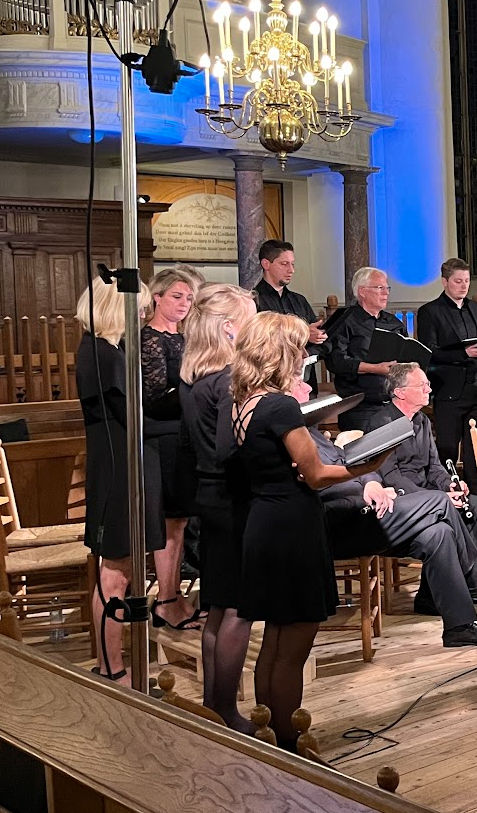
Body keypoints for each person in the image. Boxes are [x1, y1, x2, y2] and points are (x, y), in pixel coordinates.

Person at [224, 312, 390, 748]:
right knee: (293, 646)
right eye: (298, 348)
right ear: (279, 352)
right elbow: (315, 474)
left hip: (264, 521)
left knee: (275, 642)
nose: (303, 356)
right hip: (291, 527)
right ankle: (291, 744)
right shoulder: (280, 405)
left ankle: (268, 736)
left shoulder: (244, 402)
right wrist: (364, 467)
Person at [303, 381, 477, 649]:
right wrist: (369, 487)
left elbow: (351, 459)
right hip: (345, 518)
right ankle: (474, 578)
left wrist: (370, 482)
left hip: (370, 507)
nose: (308, 387)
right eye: (299, 383)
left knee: (439, 533)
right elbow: (321, 484)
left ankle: (459, 626)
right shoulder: (296, 435)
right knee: (439, 503)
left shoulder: (312, 431)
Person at [364, 362, 477, 628]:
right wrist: (435, 498)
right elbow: (390, 476)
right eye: (422, 385)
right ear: (400, 392)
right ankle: (467, 583)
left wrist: (449, 486)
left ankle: (469, 587)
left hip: (429, 493)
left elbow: (434, 465)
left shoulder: (422, 420)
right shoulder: (381, 423)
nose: (429, 388)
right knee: (443, 518)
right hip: (401, 499)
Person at [76, 277, 162, 686]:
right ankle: (112, 669)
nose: (143, 315)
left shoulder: (111, 349)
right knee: (115, 573)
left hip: (125, 464)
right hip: (115, 471)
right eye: (139, 307)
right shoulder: (100, 353)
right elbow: (130, 417)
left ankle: (114, 665)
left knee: (124, 570)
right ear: (116, 307)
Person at [179, 282, 257, 729]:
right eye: (249, 319)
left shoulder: (194, 380)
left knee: (219, 606)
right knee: (238, 609)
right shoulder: (226, 383)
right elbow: (233, 449)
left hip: (209, 497)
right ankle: (226, 710)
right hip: (232, 500)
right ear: (229, 329)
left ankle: (213, 707)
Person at [140, 268, 202, 631]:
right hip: (163, 437)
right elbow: (155, 398)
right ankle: (165, 598)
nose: (183, 304)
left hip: (185, 435)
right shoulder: (150, 338)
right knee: (171, 522)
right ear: (157, 298)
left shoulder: (185, 338)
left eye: (189, 298)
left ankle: (173, 596)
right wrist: (199, 389)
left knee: (180, 522)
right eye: (177, 296)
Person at [415, 257, 477, 490]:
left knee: (475, 450)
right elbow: (428, 353)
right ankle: (449, 496)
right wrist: (463, 354)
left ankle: (476, 499)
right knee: (447, 447)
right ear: (445, 282)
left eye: (466, 281)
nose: (464, 286)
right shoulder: (430, 311)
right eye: (458, 281)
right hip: (449, 391)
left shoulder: (473, 307)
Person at [324, 267, 406, 431]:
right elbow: (335, 361)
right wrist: (375, 368)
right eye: (379, 288)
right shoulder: (344, 319)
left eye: (387, 288)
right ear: (362, 291)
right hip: (359, 405)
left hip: (394, 401)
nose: (386, 293)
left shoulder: (393, 323)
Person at [253, 239, 330, 392]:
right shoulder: (253, 300)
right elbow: (257, 342)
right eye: (284, 264)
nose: (291, 270)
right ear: (266, 264)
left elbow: (324, 342)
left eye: (292, 264)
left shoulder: (299, 301)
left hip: (305, 381)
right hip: (270, 382)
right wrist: (303, 335)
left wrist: (307, 352)